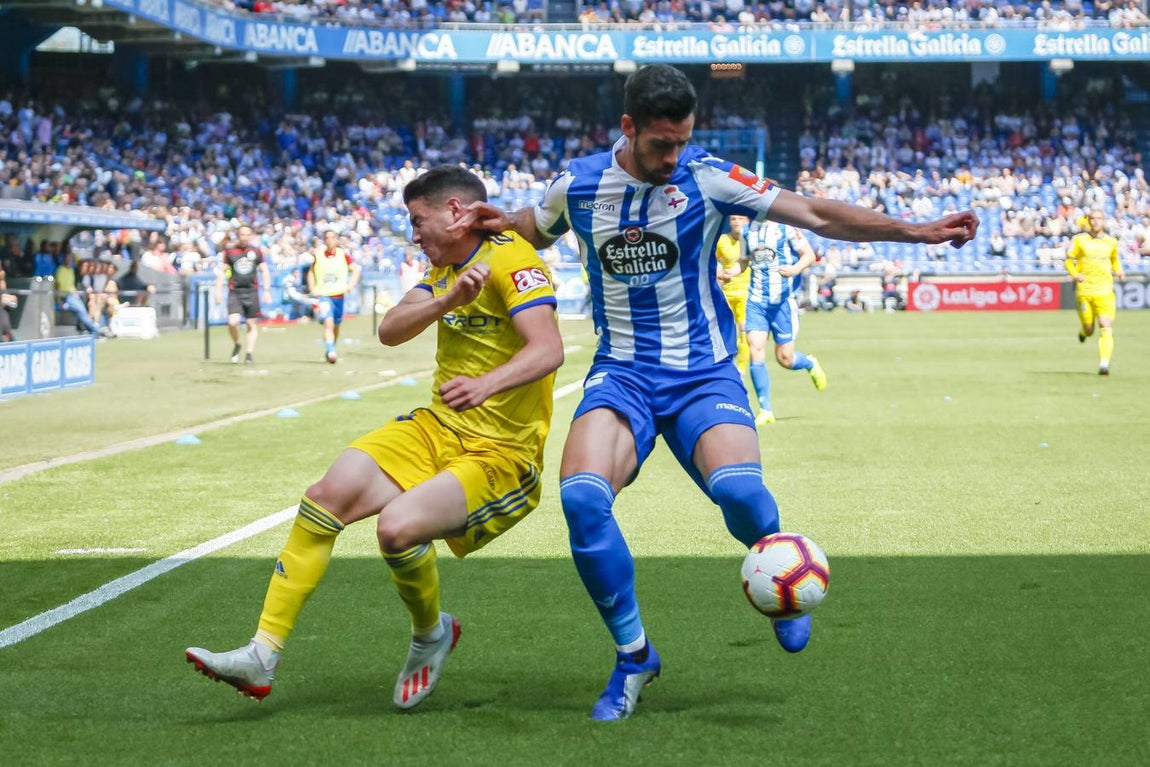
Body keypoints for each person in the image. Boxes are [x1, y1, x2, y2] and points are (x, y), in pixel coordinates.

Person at [449, 64, 977, 721]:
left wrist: (915, 230)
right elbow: (530, 224)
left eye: (682, 141)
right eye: (659, 144)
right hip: (624, 373)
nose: (673, 157)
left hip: (703, 372)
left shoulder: (707, 175)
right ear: (628, 128)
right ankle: (634, 654)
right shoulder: (579, 185)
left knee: (740, 492)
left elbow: (811, 212)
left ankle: (778, 566)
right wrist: (480, 227)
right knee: (583, 501)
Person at [185, 165, 563, 710]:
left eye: (418, 220)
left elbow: (547, 350)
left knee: (397, 529)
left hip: (502, 453)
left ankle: (431, 634)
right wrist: (447, 301)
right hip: (437, 429)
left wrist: (487, 384)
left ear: (455, 212)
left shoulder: (513, 259)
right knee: (323, 498)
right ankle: (261, 655)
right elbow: (390, 331)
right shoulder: (447, 270)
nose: (413, 234)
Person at [744, 220, 824, 426]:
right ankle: (765, 410)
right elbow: (744, 260)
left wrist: (795, 269)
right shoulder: (749, 231)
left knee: (785, 359)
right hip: (756, 302)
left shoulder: (787, 228)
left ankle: (808, 362)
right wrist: (729, 272)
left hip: (782, 303)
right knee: (755, 349)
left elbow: (809, 255)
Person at [1065, 209, 1124, 375]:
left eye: (1099, 218)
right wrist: (1075, 274)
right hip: (1085, 290)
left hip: (1105, 290)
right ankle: (1084, 332)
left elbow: (1115, 260)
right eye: (1093, 219)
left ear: (1103, 221)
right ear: (1088, 221)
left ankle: (1104, 363)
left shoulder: (1111, 242)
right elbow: (1069, 261)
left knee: (1106, 325)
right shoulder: (1079, 240)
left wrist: (1119, 270)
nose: (1096, 222)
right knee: (1090, 328)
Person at [216, 225, 271, 364]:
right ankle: (237, 344)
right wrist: (218, 291)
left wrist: (266, 291)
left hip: (251, 291)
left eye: (247, 234)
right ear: (238, 235)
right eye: (242, 234)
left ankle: (249, 354)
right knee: (232, 322)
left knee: (251, 323)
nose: (244, 237)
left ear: (251, 235)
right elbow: (223, 272)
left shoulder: (256, 251)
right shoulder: (230, 252)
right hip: (235, 291)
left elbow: (264, 270)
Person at [306, 230, 362, 364]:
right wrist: (312, 288)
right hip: (324, 295)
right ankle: (331, 352)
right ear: (324, 241)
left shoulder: (344, 255)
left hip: (339, 295)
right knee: (328, 323)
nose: (330, 240)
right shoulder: (318, 255)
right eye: (327, 238)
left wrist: (351, 285)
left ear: (336, 240)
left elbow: (355, 270)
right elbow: (311, 272)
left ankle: (331, 348)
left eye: (332, 238)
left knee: (336, 325)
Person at [715, 214, 751, 374]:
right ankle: (726, 365)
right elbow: (708, 260)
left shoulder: (751, 239)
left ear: (747, 221)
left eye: (741, 219)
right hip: (726, 292)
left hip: (746, 292)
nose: (737, 222)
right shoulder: (722, 240)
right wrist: (719, 273)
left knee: (744, 331)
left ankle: (741, 371)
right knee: (726, 331)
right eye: (733, 219)